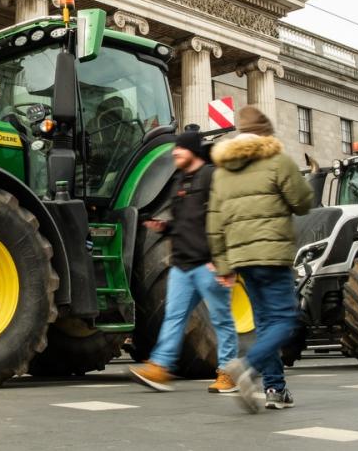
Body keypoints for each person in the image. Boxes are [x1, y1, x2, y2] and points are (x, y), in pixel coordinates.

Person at [209, 106, 313, 413]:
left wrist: (224, 265)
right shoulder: (277, 160)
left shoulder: (223, 170)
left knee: (266, 325)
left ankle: (275, 389)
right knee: (285, 320)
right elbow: (303, 202)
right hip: (272, 255)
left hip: (242, 259)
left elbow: (214, 222)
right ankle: (246, 367)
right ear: (266, 133)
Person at [129, 131, 239, 393]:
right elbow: (185, 222)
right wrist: (164, 228)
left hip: (208, 264)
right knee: (174, 317)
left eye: (180, 149)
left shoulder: (212, 177)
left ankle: (228, 373)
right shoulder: (181, 180)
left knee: (221, 319)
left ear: (192, 150)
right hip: (183, 265)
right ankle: (161, 368)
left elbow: (228, 219)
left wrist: (226, 263)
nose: (175, 152)